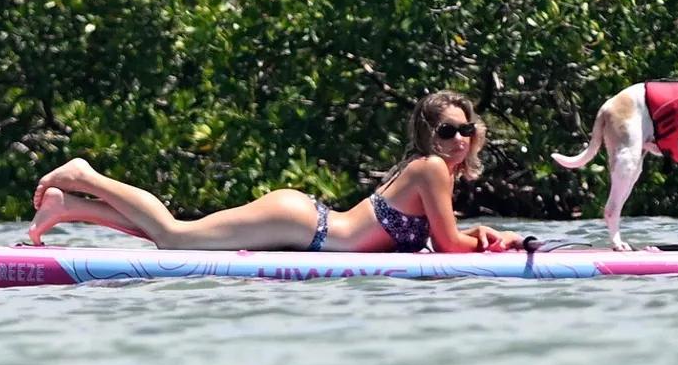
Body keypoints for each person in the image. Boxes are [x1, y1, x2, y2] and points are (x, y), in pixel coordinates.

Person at [28, 90, 523, 253]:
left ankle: (69, 206)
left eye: (466, 129)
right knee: (175, 235)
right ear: (430, 136)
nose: (459, 139)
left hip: (308, 224)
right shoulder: (432, 168)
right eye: (448, 131)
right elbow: (449, 246)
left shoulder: (434, 171)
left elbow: (444, 239)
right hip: (304, 224)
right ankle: (85, 176)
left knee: (176, 238)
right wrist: (502, 241)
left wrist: (481, 234)